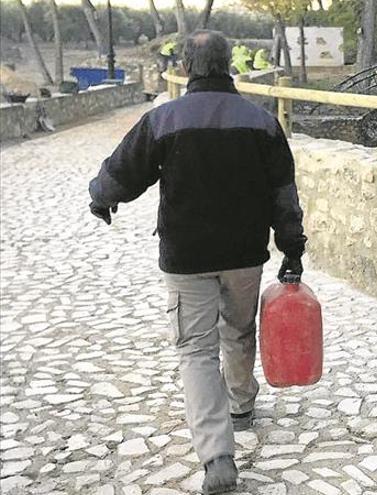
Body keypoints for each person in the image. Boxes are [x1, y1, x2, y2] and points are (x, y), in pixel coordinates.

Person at [88, 30, 306, 495]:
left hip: (185, 256)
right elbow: (283, 193)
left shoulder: (163, 119)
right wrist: (292, 248)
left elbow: (125, 170)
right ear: (230, 66)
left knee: (195, 351)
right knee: (239, 329)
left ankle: (217, 456)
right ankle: (243, 406)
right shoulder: (262, 122)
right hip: (245, 254)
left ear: (186, 67)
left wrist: (101, 198)